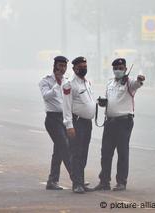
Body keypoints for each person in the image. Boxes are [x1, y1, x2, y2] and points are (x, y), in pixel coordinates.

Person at [94, 58, 145, 191]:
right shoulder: (110, 83)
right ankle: (104, 181)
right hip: (110, 122)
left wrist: (140, 79)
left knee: (122, 152)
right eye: (116, 68)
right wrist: (102, 103)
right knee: (105, 152)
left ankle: (121, 182)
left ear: (125, 69)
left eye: (120, 68)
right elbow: (109, 99)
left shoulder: (130, 82)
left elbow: (138, 83)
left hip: (124, 122)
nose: (118, 70)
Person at [62, 56, 96, 194]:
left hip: (87, 123)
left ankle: (81, 181)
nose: (83, 68)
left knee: (84, 153)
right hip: (76, 123)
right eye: (81, 66)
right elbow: (66, 106)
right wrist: (69, 125)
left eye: (85, 66)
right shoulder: (69, 84)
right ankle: (77, 184)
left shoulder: (87, 82)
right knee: (76, 153)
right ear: (74, 68)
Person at [38, 56, 72, 190]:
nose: (62, 68)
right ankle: (76, 177)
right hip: (53, 119)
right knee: (65, 146)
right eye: (60, 65)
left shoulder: (67, 80)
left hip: (65, 118)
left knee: (59, 150)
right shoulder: (45, 81)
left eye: (64, 66)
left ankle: (52, 181)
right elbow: (46, 96)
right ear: (54, 66)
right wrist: (57, 84)